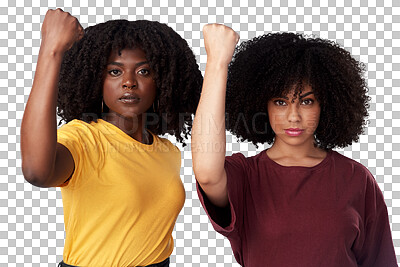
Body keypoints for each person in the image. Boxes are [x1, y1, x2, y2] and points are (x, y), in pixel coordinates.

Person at [192, 24, 397, 267]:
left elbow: (380, 260)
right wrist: (217, 63)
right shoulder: (246, 176)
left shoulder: (356, 178)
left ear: (325, 105)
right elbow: (206, 173)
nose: (293, 116)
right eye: (280, 101)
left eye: (306, 101)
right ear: (261, 105)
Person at [20, 9, 202, 267]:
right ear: (96, 80)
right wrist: (52, 50)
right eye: (115, 72)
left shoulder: (167, 151)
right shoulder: (83, 138)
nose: (129, 82)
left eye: (144, 71)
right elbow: (36, 172)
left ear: (162, 80)